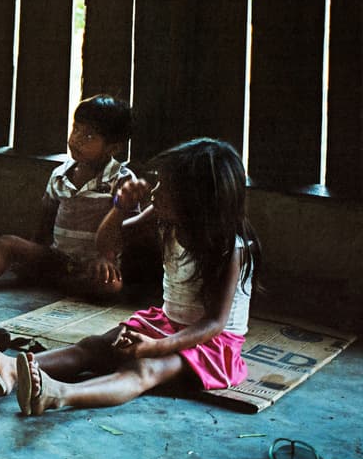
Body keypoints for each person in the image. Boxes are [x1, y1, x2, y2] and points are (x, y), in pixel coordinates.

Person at [14, 137, 259, 416]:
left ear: (194, 201)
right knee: (94, 346)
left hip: (211, 343)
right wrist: (120, 207)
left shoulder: (230, 248)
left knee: (144, 369)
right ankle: (10, 369)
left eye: (164, 187)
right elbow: (107, 246)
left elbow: (214, 323)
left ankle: (59, 394)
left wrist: (157, 347)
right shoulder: (164, 216)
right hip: (168, 324)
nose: (154, 191)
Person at [0, 95, 138, 300]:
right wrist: (32, 253)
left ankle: (61, 283)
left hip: (95, 264)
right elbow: (46, 218)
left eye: (89, 136)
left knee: (111, 286)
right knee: (7, 243)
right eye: (76, 129)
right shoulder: (60, 175)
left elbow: (128, 230)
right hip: (59, 259)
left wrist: (106, 258)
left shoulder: (122, 181)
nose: (77, 139)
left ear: (113, 148)